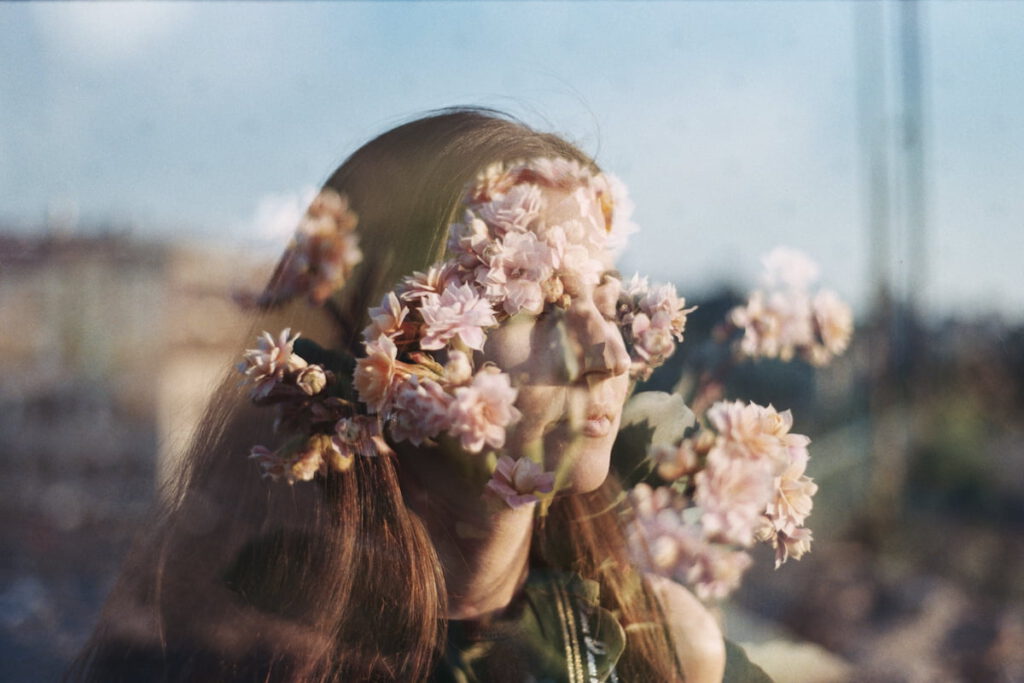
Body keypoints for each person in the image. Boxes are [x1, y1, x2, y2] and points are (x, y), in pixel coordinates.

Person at [69, 108, 769, 682]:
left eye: (611, 297)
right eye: (537, 304)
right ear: (392, 333)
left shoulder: (664, 650)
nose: (608, 353)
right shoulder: (209, 650)